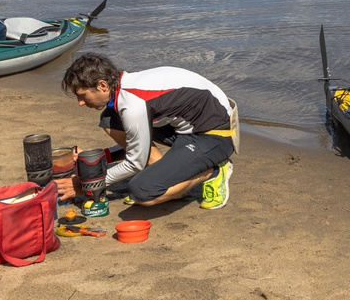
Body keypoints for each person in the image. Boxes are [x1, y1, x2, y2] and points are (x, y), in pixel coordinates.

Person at [61, 52, 236, 212]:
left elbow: (135, 162)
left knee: (142, 192)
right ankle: (165, 174)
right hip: (186, 127)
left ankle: (213, 171)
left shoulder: (132, 104)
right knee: (110, 118)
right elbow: (137, 141)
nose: (80, 103)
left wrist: (89, 185)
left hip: (216, 135)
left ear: (102, 85)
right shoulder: (123, 85)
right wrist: (101, 158)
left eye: (82, 95)